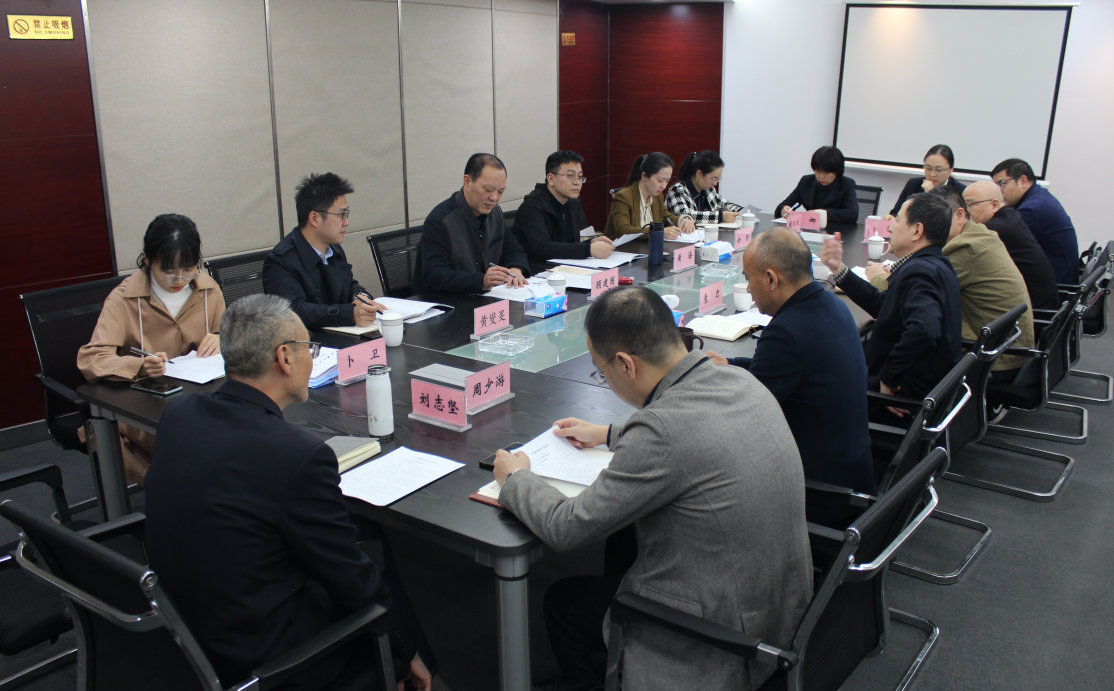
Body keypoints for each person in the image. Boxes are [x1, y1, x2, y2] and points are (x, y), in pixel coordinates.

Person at [493, 286, 812, 691]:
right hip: (782, 613)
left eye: (601, 371)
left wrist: (516, 478)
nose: (604, 379)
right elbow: (694, 430)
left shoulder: (660, 431)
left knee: (563, 602)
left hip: (722, 641)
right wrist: (608, 433)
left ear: (626, 364)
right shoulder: (737, 379)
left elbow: (566, 527)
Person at [145, 294, 435, 691]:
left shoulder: (179, 413)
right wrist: (406, 649)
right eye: (309, 349)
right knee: (370, 585)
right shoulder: (298, 456)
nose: (311, 359)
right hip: (262, 662)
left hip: (180, 629)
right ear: (284, 357)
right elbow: (347, 576)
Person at [705, 229, 873, 527]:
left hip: (818, 496)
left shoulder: (786, 331)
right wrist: (730, 363)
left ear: (771, 279)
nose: (748, 288)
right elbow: (789, 370)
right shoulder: (832, 304)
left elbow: (741, 417)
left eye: (748, 278)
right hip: (853, 479)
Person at [78, 213, 224, 484]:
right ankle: (167, 487)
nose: (179, 279)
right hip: (147, 403)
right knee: (192, 447)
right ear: (147, 260)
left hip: (199, 397)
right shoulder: (123, 300)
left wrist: (220, 337)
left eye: (189, 269)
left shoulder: (208, 289)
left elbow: (229, 336)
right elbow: (91, 359)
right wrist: (140, 366)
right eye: (168, 271)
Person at [820, 193, 961, 421]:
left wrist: (889, 377)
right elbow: (884, 306)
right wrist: (838, 269)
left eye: (898, 220)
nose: (890, 227)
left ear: (917, 231)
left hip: (905, 399)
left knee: (817, 380)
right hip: (927, 389)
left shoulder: (920, 272)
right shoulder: (936, 264)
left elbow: (924, 329)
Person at [263, 172, 385, 329]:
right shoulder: (280, 261)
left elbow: (348, 284)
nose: (346, 222)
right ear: (314, 218)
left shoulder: (334, 249)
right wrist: (349, 314)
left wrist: (359, 296)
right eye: (341, 215)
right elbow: (293, 311)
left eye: (346, 214)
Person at [412, 153, 530, 294]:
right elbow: (434, 275)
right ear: (467, 182)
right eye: (488, 190)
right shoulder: (440, 221)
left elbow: (513, 248)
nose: (494, 198)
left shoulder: (495, 213)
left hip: (484, 298)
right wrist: (481, 281)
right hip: (447, 301)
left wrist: (516, 268)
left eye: (500, 192)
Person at [962, 180, 1060, 310]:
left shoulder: (993, 230)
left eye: (971, 205)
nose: (966, 212)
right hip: (1039, 304)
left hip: (1034, 311)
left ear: (994, 205)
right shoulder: (1010, 216)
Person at [513, 150, 614, 264]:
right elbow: (543, 248)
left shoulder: (573, 202)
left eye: (580, 176)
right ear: (551, 179)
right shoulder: (532, 207)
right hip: (538, 269)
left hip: (567, 267)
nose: (577, 182)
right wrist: (588, 249)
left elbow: (572, 242)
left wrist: (591, 242)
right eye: (570, 176)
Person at [991, 158, 1079, 284]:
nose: (998, 192)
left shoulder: (1031, 210)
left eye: (1002, 183)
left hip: (1055, 285)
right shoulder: (1039, 197)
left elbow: (997, 247)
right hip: (1058, 278)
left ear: (1023, 181)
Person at [603, 153, 695, 240]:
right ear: (644, 176)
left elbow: (666, 217)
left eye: (667, 181)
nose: (664, 186)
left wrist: (683, 220)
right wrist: (659, 232)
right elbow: (623, 230)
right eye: (660, 180)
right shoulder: (623, 197)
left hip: (647, 247)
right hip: (622, 248)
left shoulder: (657, 196)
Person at [775, 146, 858, 223]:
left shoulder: (846, 184)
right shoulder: (806, 181)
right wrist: (784, 209)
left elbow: (852, 214)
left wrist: (821, 213)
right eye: (818, 171)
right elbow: (782, 207)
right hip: (809, 228)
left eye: (826, 173)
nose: (821, 177)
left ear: (837, 171)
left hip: (836, 230)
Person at [884, 144, 967, 220]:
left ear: (951, 169)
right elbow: (896, 213)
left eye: (939, 170)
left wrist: (932, 193)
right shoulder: (913, 184)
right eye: (928, 168)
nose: (932, 174)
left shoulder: (960, 191)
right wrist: (892, 218)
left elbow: (948, 220)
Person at [664, 150, 745, 225]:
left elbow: (724, 204)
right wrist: (720, 216)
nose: (715, 183)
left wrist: (743, 212)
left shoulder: (708, 190)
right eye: (713, 179)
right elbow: (685, 216)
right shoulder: (677, 190)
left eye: (718, 179)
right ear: (699, 174)